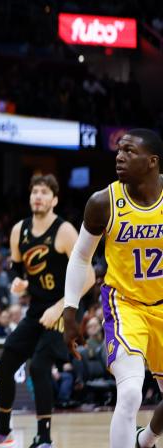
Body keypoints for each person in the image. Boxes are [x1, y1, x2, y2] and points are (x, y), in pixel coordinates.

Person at [0, 174, 93, 448]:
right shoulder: (19, 230)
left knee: (39, 366)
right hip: (38, 309)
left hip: (67, 307)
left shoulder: (64, 231)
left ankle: (44, 438)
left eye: (44, 192)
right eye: (34, 191)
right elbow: (18, 269)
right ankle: (2, 431)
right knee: (4, 367)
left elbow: (88, 278)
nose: (38, 196)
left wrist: (60, 307)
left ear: (55, 199)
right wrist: (21, 282)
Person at [63, 129, 163, 448]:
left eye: (129, 151)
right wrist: (69, 310)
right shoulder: (103, 202)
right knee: (131, 390)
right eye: (118, 150)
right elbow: (80, 256)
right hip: (125, 305)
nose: (119, 156)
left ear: (152, 162)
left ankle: (144, 440)